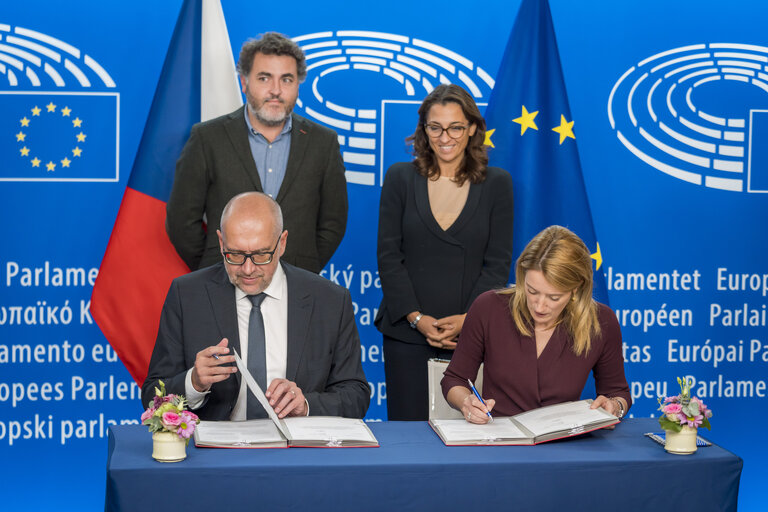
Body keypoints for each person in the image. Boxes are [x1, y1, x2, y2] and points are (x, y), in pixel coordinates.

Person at [141, 192, 370, 420]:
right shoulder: (188, 295)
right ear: (221, 243)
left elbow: (356, 395)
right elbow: (152, 395)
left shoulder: (329, 300)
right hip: (216, 453)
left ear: (282, 243)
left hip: (297, 452)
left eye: (261, 255)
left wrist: (307, 405)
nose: (248, 269)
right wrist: (193, 382)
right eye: (236, 254)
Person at [375, 84, 515, 421]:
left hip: (472, 336)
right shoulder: (399, 177)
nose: (445, 136)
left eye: (455, 127)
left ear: (471, 129)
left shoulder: (498, 183)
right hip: (407, 334)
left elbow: (498, 263)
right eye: (435, 127)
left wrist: (470, 321)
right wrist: (417, 319)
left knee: (471, 436)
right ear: (424, 130)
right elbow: (388, 256)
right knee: (408, 440)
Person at [166, 32, 347, 274]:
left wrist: (302, 268)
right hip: (223, 283)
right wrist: (218, 267)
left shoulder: (323, 142)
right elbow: (181, 221)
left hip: (297, 284)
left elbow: (332, 224)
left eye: (286, 79)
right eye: (264, 78)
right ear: (244, 82)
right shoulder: (207, 138)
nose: (275, 90)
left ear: (297, 84)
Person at [441, 225, 631, 423]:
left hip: (565, 444)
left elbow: (618, 392)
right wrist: (466, 401)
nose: (540, 306)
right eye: (532, 291)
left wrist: (614, 407)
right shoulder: (488, 308)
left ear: (576, 289)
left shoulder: (601, 321)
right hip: (498, 441)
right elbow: (454, 379)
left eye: (554, 297)